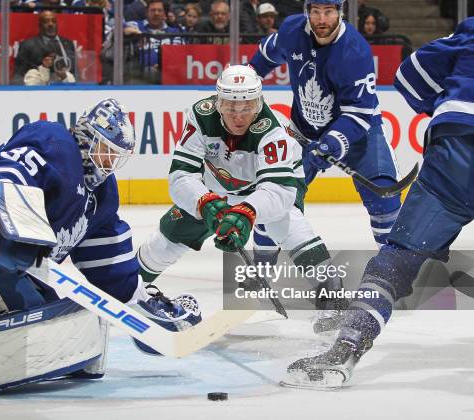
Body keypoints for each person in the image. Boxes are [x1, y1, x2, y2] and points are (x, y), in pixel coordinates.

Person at [0, 98, 202, 401]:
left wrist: (143, 312)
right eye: (105, 151)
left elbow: (110, 267)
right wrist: (18, 225)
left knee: (64, 319)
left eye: (116, 155)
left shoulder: (102, 195)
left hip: (8, 265)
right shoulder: (54, 143)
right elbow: (0, 177)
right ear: (86, 137)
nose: (109, 163)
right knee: (35, 323)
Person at [280, 17, 474, 390]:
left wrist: (445, 103)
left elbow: (410, 75)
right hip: (454, 143)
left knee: (393, 262)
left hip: (456, 147)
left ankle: (345, 351)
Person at [137, 64, 348, 331]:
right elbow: (181, 176)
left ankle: (332, 295)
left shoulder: (273, 132)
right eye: (230, 107)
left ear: (258, 102)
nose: (239, 116)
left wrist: (245, 213)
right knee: (171, 231)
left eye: (247, 107)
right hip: (217, 190)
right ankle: (127, 286)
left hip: (270, 188)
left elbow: (278, 192)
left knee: (287, 224)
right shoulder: (200, 117)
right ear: (217, 102)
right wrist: (206, 203)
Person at [249, 0, 402, 249]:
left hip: (359, 134)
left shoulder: (355, 51)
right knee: (274, 200)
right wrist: (247, 78)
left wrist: (331, 143)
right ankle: (260, 272)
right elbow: (266, 56)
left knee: (383, 198)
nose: (322, 20)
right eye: (316, 12)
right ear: (307, 11)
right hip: (303, 132)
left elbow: (358, 113)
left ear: (339, 12)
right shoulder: (291, 31)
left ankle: (395, 269)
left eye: (329, 12)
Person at [14, 10, 77, 84]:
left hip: (68, 89)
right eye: (46, 21)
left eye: (53, 21)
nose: (50, 24)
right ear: (40, 25)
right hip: (38, 90)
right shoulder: (27, 45)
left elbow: (75, 72)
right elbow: (18, 76)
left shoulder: (68, 43)